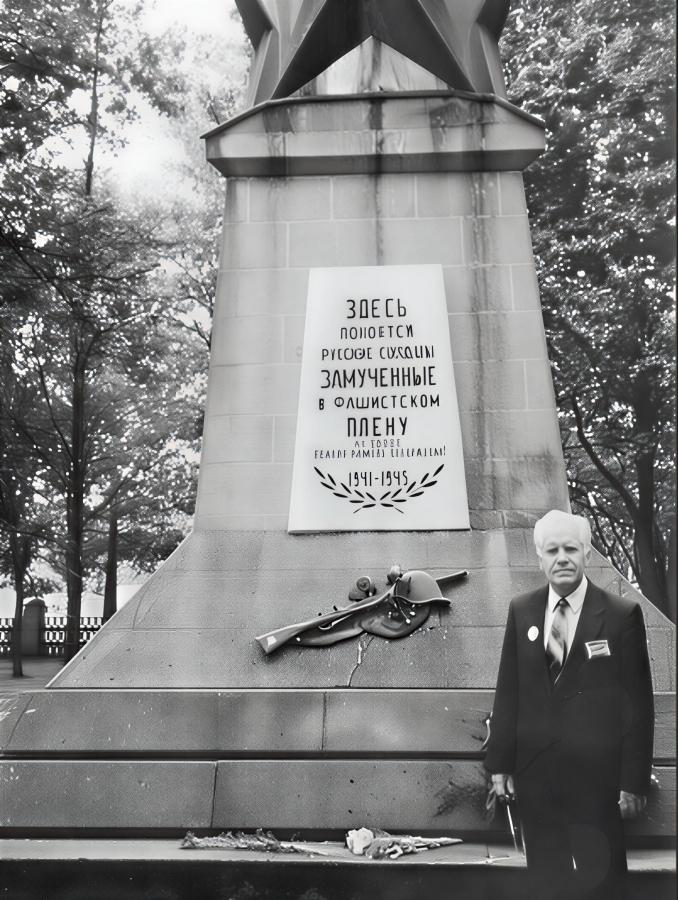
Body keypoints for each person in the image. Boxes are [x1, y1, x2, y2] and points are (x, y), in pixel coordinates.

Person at [484, 509, 654, 899]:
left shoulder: (620, 615)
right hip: (536, 778)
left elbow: (639, 707)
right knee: (546, 881)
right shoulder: (522, 610)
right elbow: (509, 689)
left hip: (598, 784)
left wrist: (633, 782)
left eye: (571, 549)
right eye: (552, 550)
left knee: (603, 879)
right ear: (539, 557)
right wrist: (500, 766)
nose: (562, 558)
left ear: (587, 553)